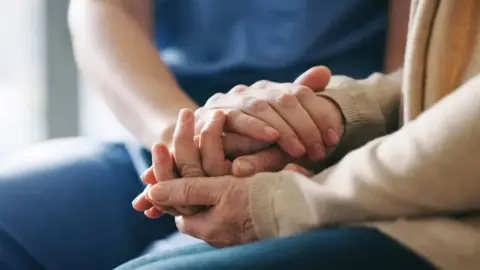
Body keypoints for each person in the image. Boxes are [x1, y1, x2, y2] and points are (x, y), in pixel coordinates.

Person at [0, 1, 409, 269]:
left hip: (334, 161)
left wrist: (304, 149)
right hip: (160, 145)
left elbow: (417, 74)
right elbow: (106, 11)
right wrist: (184, 138)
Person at [117, 0, 480, 269]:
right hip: (245, 136)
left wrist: (280, 202)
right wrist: (335, 112)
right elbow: (445, 74)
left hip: (447, 217)